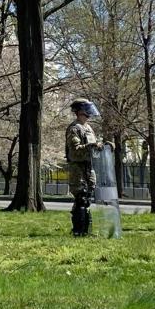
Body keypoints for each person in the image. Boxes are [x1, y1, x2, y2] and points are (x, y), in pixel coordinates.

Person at [65, 98, 102, 237]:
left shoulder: (88, 128)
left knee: (87, 198)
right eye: (86, 110)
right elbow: (75, 150)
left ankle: (86, 230)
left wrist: (104, 146)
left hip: (89, 166)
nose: (89, 113)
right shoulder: (74, 128)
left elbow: (94, 146)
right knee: (81, 198)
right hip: (78, 168)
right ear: (80, 111)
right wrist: (91, 146)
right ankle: (78, 231)